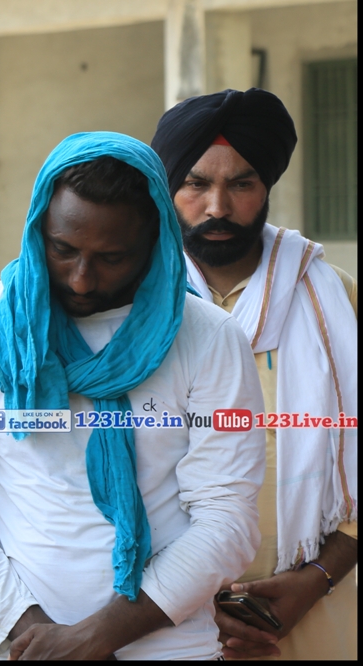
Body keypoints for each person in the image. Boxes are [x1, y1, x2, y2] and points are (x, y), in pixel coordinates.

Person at [0, 133, 267, 659]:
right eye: (62, 250)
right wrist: (42, 640)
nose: (81, 280)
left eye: (112, 258)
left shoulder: (208, 338)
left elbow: (227, 520)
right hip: (20, 648)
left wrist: (94, 638)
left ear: (155, 242)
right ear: (38, 228)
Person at [152, 88, 357, 661]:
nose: (218, 206)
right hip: (155, 612)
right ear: (167, 188)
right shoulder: (135, 302)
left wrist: (316, 578)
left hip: (316, 600)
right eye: (195, 184)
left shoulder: (333, 297)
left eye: (241, 184)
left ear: (266, 186)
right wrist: (183, 598)